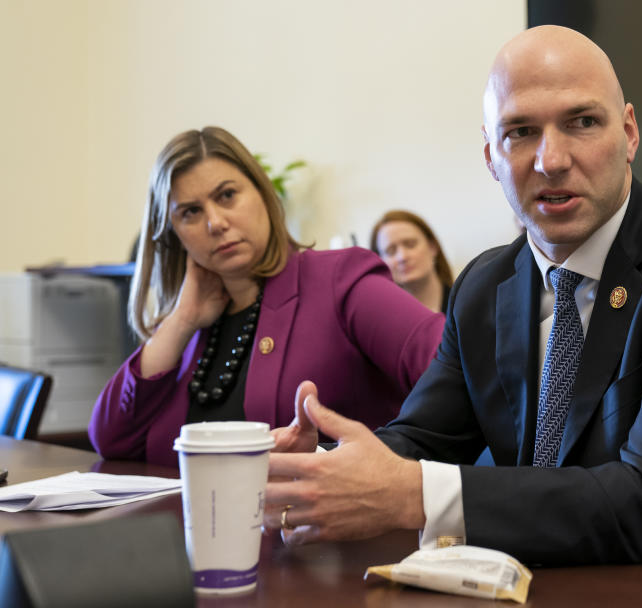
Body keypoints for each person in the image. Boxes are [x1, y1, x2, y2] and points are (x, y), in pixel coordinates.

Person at [263, 27, 642, 602]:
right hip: (549, 588)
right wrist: (325, 472)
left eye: (583, 122)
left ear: (629, 133)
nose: (552, 160)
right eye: (520, 132)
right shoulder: (485, 285)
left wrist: (415, 493)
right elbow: (424, 437)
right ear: (492, 157)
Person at [88, 127, 444, 468]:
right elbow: (110, 440)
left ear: (262, 194)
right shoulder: (189, 328)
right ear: (174, 234)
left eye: (227, 195)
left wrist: (367, 458)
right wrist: (181, 320)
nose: (215, 222)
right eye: (190, 212)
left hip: (327, 527)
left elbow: (454, 370)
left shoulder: (340, 281)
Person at [370, 210, 454, 314]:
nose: (402, 257)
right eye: (391, 251)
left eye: (410, 244)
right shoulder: (382, 321)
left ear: (432, 247)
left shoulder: (466, 304)